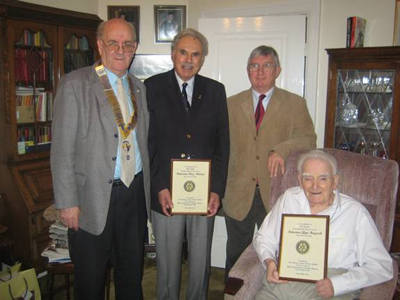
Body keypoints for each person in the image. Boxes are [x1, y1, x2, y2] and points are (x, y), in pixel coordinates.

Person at [50, 18, 150, 299]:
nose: (121, 50)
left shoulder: (139, 88)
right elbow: (61, 150)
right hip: (91, 200)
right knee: (91, 281)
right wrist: (67, 202)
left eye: (128, 44)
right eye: (113, 43)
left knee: (131, 277)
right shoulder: (74, 85)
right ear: (99, 45)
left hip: (133, 196)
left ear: (135, 48)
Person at [145, 28, 229, 300]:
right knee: (167, 266)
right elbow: (148, 144)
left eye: (195, 54)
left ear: (202, 59)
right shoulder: (151, 88)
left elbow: (222, 146)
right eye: (183, 52)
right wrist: (158, 186)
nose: (188, 59)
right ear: (173, 54)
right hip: (166, 193)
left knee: (200, 263)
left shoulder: (215, 91)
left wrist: (216, 189)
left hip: (202, 194)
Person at [223, 45, 316, 278]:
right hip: (237, 194)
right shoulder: (230, 104)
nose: (260, 72)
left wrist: (282, 149)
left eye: (267, 66)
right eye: (254, 66)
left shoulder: (295, 103)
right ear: (247, 70)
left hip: (276, 193)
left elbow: (309, 139)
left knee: (275, 253)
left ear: (278, 70)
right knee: (235, 255)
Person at [253, 150, 393, 299]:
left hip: (329, 285)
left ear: (335, 181)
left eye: (323, 179)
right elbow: (264, 238)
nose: (315, 186)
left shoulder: (355, 213)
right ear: (300, 180)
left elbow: (382, 266)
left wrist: (338, 284)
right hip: (285, 282)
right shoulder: (289, 199)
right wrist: (269, 262)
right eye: (308, 179)